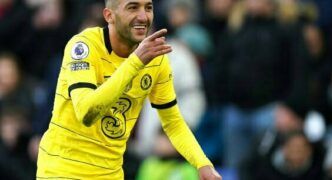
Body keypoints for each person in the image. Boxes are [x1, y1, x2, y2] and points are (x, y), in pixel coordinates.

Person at [36, 0, 221, 179]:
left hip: (110, 174)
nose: (143, 16)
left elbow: (172, 122)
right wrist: (135, 62)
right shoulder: (84, 46)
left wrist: (202, 163)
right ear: (109, 15)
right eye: (133, 7)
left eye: (148, 7)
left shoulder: (156, 60)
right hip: (62, 170)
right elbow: (86, 113)